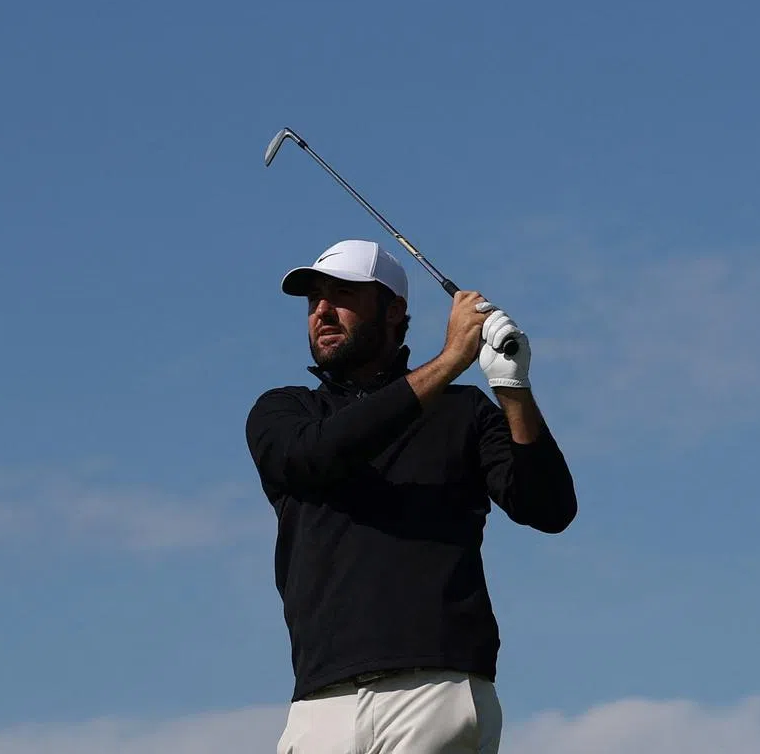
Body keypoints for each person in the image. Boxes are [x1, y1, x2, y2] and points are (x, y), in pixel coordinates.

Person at [244, 238, 578, 753]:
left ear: (394, 310)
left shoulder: (464, 412)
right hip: (318, 702)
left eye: (342, 295)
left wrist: (512, 385)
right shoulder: (285, 411)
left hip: (435, 690)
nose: (323, 312)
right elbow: (315, 456)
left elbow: (549, 507)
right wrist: (451, 360)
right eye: (314, 300)